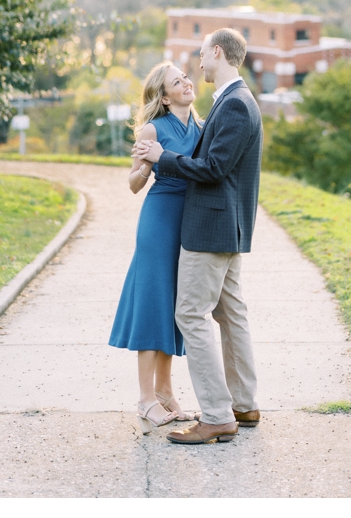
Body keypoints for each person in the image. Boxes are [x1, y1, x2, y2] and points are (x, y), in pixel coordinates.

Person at [133, 27, 264, 445]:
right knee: (231, 315)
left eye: (203, 54)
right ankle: (242, 404)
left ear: (218, 53)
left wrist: (163, 158)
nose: (199, 64)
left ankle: (216, 415)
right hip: (224, 228)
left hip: (210, 228)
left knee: (190, 314)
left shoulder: (234, 106)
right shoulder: (231, 103)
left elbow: (213, 169)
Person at [108, 63, 202, 431]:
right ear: (164, 97)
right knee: (152, 304)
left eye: (185, 77)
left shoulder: (201, 125)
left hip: (188, 222)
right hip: (159, 220)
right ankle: (146, 400)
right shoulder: (153, 127)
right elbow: (133, 184)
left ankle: (165, 392)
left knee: (173, 307)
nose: (186, 82)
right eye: (176, 82)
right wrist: (149, 162)